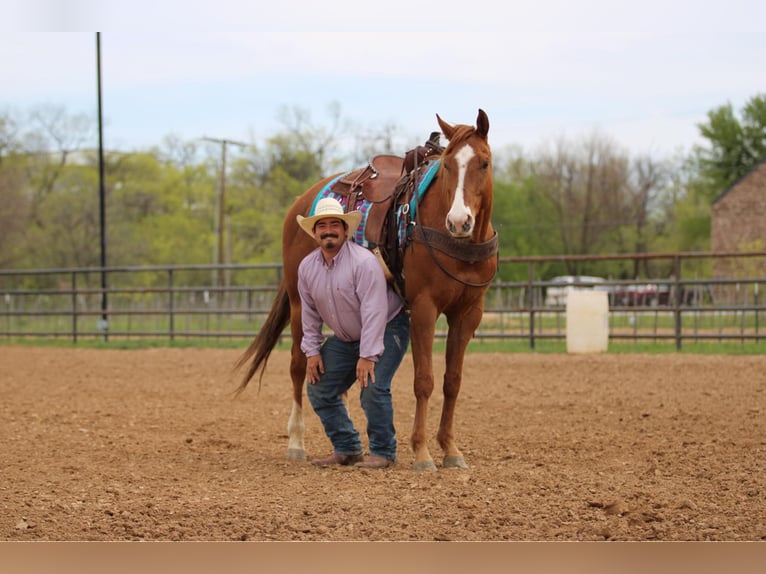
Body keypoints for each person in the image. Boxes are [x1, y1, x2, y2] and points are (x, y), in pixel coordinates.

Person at [296, 197, 409, 469]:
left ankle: (383, 452)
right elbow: (309, 314)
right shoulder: (307, 268)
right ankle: (347, 448)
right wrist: (311, 352)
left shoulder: (363, 262)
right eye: (322, 226)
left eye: (335, 224)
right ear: (315, 233)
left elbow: (374, 310)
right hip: (347, 338)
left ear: (346, 231)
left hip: (386, 327)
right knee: (320, 388)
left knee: (372, 386)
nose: (329, 230)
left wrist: (368, 355)